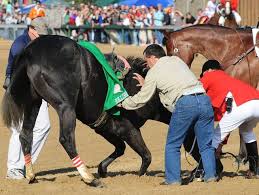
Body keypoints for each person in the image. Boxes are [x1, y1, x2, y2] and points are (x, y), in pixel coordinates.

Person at [119, 44, 217, 185]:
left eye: (147, 61)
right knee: (206, 145)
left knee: (173, 144)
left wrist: (123, 103)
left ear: (153, 57)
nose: (147, 65)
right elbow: (173, 80)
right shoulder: (177, 60)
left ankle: (173, 179)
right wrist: (148, 83)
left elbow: (141, 99)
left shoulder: (154, 72)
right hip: (204, 100)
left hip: (185, 103)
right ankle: (211, 176)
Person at [3, 17, 50, 179]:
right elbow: (14, 73)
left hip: (37, 91)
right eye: (39, 32)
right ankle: (14, 168)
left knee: (44, 126)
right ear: (31, 29)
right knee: (18, 129)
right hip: (19, 91)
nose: (41, 36)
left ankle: (25, 163)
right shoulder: (20, 44)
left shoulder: (39, 43)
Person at [200, 60, 259, 179]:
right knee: (247, 132)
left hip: (240, 105)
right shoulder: (227, 77)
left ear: (209, 70)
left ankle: (203, 170)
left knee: (215, 138)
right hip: (256, 101)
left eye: (204, 73)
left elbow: (195, 90)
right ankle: (255, 170)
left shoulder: (209, 75)